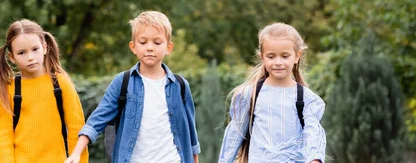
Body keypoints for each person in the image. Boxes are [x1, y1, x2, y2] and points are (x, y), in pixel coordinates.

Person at [65, 11, 201, 163]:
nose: (150, 48)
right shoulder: (122, 82)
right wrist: (76, 153)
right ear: (133, 46)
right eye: (143, 42)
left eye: (157, 43)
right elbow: (96, 121)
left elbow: (190, 132)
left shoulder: (180, 86)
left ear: (168, 47)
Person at [218, 23, 326, 163]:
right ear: (262, 57)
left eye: (285, 56)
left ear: (297, 56)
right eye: (271, 56)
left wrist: (315, 159)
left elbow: (313, 132)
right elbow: (235, 133)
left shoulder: (307, 99)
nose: (278, 62)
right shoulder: (249, 94)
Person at [0, 19, 88, 163]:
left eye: (35, 49)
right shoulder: (9, 88)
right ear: (12, 57)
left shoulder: (61, 84)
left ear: (44, 47)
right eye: (22, 53)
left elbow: (76, 128)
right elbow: (3, 136)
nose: (30, 57)